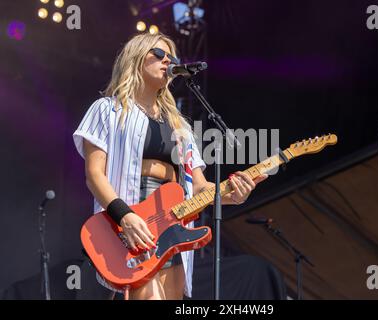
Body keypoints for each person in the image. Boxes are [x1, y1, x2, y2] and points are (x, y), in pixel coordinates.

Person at [73, 32, 267, 300]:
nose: (168, 62)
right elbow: (94, 175)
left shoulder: (181, 128)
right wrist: (125, 215)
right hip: (128, 221)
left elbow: (199, 186)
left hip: (171, 226)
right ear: (136, 58)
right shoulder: (107, 109)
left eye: (172, 58)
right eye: (160, 55)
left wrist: (230, 195)